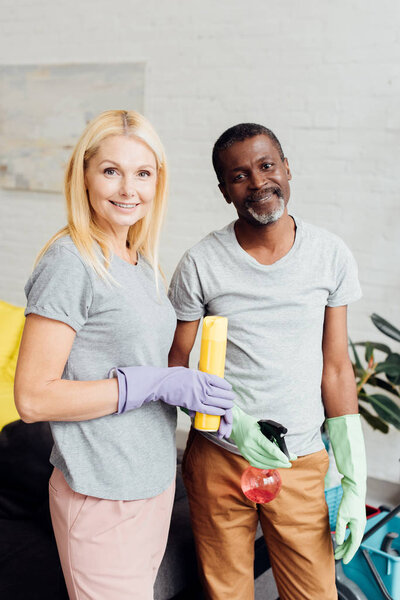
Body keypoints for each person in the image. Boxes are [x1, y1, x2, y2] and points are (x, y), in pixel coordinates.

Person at [14, 110, 234, 600]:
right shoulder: (70, 262)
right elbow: (32, 398)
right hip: (101, 492)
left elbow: (142, 363)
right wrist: (152, 383)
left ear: (159, 181)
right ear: (84, 175)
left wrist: (191, 396)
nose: (128, 188)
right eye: (111, 170)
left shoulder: (140, 261)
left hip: (151, 482)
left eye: (143, 172)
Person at [168, 123, 367, 600]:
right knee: (227, 593)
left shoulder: (330, 255)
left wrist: (355, 478)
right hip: (219, 458)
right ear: (224, 192)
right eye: (239, 176)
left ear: (286, 169)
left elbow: (336, 366)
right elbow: (173, 366)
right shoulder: (200, 263)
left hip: (300, 458)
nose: (257, 182)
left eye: (266, 165)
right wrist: (230, 425)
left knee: (314, 593)